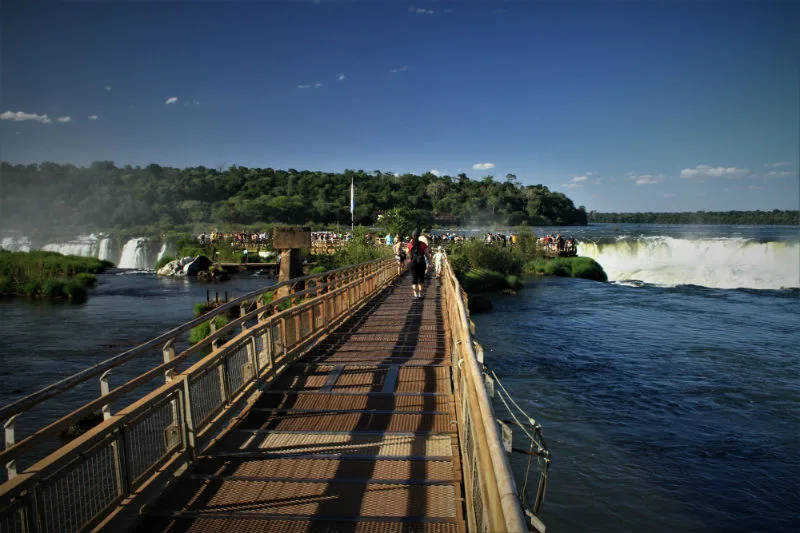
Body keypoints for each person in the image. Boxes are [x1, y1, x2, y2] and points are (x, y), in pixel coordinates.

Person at [407, 229, 429, 299]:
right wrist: (430, 262)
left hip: (412, 263)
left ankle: (415, 294)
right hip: (421, 262)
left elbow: (407, 253)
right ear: (419, 236)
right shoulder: (423, 244)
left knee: (414, 278)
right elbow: (427, 254)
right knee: (420, 279)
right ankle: (420, 294)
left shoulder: (410, 244)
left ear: (412, 236)